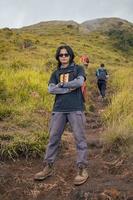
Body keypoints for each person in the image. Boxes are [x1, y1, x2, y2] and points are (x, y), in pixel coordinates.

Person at [34, 45, 89, 186]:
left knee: (80, 139)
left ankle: (82, 169)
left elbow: (79, 82)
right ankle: (48, 166)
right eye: (61, 55)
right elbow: (51, 89)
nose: (63, 57)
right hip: (58, 110)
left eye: (66, 54)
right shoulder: (55, 72)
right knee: (53, 138)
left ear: (70, 55)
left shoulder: (78, 69)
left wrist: (62, 86)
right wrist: (69, 88)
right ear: (58, 57)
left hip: (75, 108)